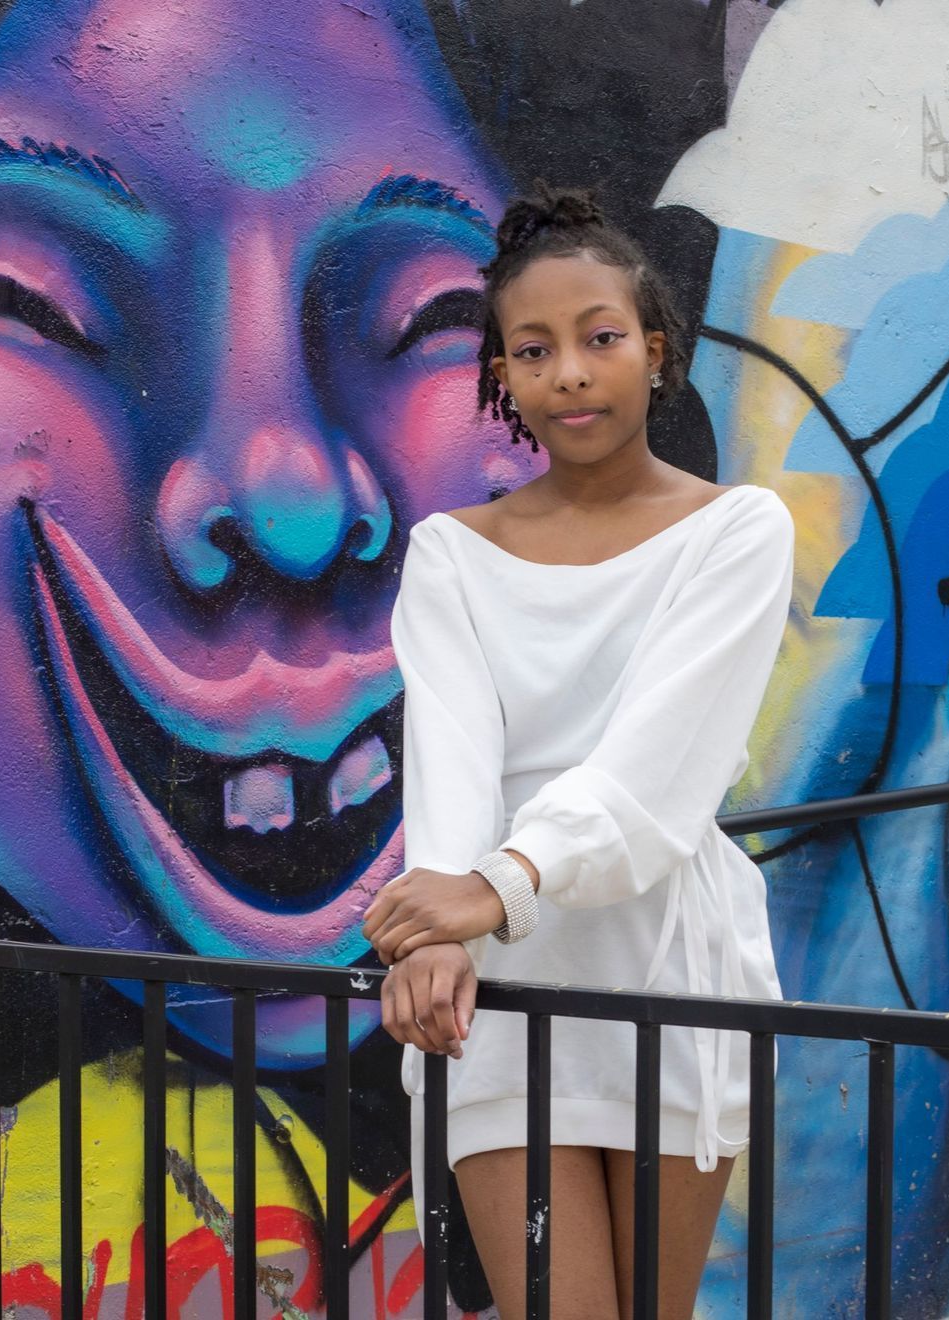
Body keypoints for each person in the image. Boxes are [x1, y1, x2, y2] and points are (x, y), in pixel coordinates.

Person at [360, 183, 795, 1320]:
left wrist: (491, 887)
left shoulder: (737, 531)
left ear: (656, 349)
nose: (570, 372)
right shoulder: (450, 553)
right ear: (501, 378)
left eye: (601, 338)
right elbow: (452, 751)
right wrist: (438, 939)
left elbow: (660, 770)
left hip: (668, 978)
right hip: (497, 1000)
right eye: (533, 349)